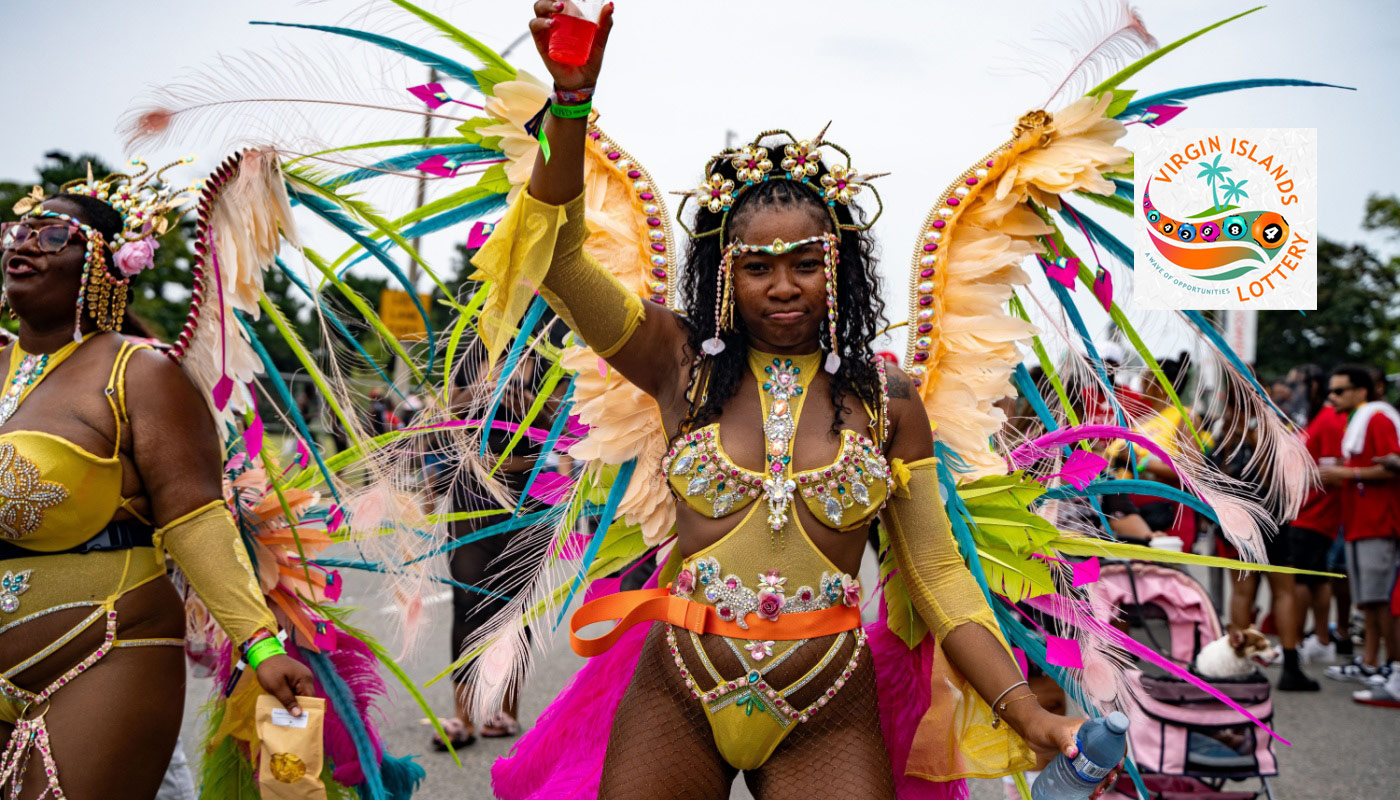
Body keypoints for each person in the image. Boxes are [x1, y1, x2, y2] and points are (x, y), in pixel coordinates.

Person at [467, 4, 1109, 795]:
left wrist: (1028, 713)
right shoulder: (677, 363)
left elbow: (939, 575)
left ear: (838, 269)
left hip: (828, 703)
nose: (781, 287)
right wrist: (569, 105)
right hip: (680, 688)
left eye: (805, 263)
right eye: (756, 266)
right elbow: (558, 260)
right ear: (723, 274)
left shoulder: (887, 400)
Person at [0, 182, 312, 797]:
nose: (27, 243)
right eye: (18, 232)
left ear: (106, 265)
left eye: (55, 234)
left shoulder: (141, 373)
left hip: (105, 651)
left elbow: (195, 519)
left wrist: (259, 644)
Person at [1319, 365, 1400, 685]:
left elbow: (1392, 467)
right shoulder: (1358, 420)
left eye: (1340, 391)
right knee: (1367, 600)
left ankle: (1389, 667)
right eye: (1331, 390)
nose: (1332, 396)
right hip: (1358, 522)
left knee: (1380, 600)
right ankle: (1370, 662)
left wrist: (1346, 474)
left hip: (1378, 523)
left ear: (1361, 391)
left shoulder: (1377, 418)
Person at [1285, 364, 1349, 670]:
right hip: (1307, 513)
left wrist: (1299, 480)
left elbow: (1333, 473)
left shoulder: (1328, 421)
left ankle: (1298, 641)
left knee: (1303, 580)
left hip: (1315, 514)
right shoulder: (1316, 420)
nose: (1292, 389)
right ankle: (1318, 641)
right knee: (1314, 578)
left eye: (1298, 384)